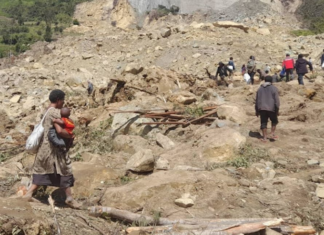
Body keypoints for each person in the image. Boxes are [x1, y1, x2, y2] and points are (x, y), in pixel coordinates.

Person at [23, 89, 81, 208]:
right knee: (64, 170)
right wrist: (71, 135)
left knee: (42, 171)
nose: (63, 103)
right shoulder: (55, 112)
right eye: (63, 100)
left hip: (44, 148)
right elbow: (60, 130)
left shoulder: (47, 110)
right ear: (59, 100)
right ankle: (69, 198)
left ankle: (29, 194)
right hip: (54, 150)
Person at [255, 76, 280, 142]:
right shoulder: (273, 88)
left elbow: (257, 100)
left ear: (264, 80)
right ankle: (272, 133)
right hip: (272, 108)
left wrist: (257, 110)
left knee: (263, 123)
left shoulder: (260, 89)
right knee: (274, 121)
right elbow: (277, 100)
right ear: (271, 81)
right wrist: (277, 109)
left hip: (262, 108)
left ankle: (265, 138)